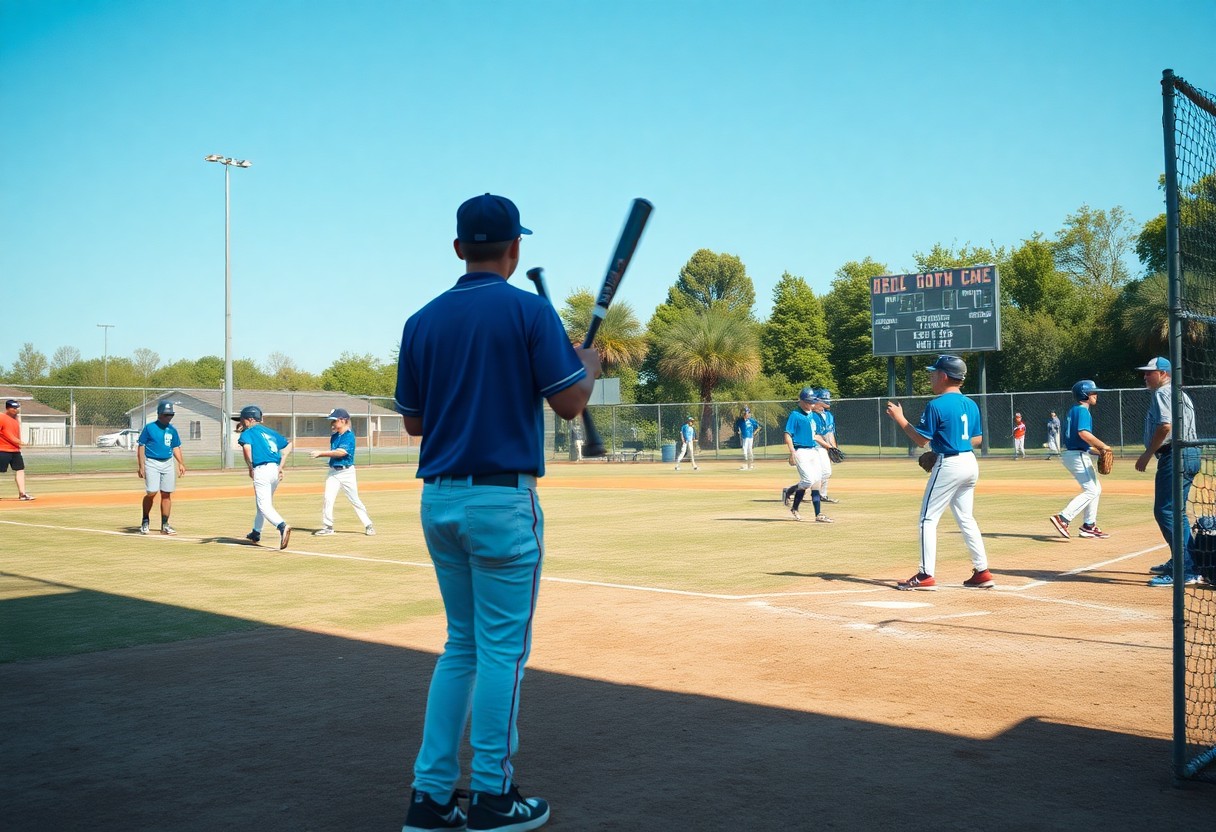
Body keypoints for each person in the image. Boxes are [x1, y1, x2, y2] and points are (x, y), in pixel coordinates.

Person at [395, 192, 599, 832]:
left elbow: (415, 423)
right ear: (516, 249)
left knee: (462, 645)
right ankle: (491, 796)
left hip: (439, 497)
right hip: (502, 500)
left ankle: (430, 799)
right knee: (503, 652)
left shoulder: (421, 320)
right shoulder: (529, 312)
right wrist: (586, 366)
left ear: (459, 248)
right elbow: (570, 405)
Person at [885, 355, 994, 590]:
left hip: (950, 464)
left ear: (944, 376)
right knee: (966, 518)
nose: (931, 376)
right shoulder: (971, 404)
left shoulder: (937, 404)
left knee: (927, 518)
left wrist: (900, 419)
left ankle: (925, 575)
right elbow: (976, 439)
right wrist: (944, 446)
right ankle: (982, 571)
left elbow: (921, 439)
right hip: (969, 462)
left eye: (934, 373)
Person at [1136, 357, 1205, 587]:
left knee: (1165, 511)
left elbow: (1166, 426)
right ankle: (1187, 561)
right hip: (1189, 454)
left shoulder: (1162, 393)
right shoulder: (1179, 393)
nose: (1145, 376)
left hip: (1175, 455)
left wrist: (1147, 454)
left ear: (1164, 374)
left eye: (1150, 373)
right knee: (1176, 511)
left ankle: (1186, 569)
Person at [1048, 381, 1112, 540]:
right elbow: (1083, 434)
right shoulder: (1083, 411)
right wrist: (1104, 447)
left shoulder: (1074, 410)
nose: (1096, 395)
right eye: (1093, 392)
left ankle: (1089, 525)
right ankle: (1063, 518)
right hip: (1077, 456)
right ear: (1085, 394)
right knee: (1091, 490)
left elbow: (1078, 440)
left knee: (1095, 489)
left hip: (1074, 453)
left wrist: (1097, 452)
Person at [233, 405, 293, 550]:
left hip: (262, 470)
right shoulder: (269, 432)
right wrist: (281, 465)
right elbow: (288, 445)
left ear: (251, 419)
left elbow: (247, 449)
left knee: (264, 505)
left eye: (243, 419)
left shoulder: (248, 432)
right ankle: (255, 533)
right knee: (263, 503)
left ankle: (282, 526)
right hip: (274, 471)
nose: (242, 422)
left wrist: (250, 466)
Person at [309, 408, 374, 536]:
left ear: (343, 421)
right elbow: (335, 453)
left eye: (334, 420)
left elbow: (341, 452)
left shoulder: (349, 436)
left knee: (354, 499)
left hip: (347, 472)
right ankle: (328, 527)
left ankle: (368, 525)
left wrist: (321, 453)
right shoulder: (334, 437)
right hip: (333, 472)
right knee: (328, 498)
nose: (332, 424)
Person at [780, 387, 834, 522]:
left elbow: (814, 435)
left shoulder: (811, 414)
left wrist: (829, 447)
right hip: (800, 451)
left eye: (812, 401)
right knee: (808, 480)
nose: (812, 404)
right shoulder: (795, 415)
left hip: (813, 451)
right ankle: (790, 491)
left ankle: (818, 514)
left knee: (816, 482)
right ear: (802, 401)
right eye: (809, 402)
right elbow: (787, 434)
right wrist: (792, 452)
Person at [136, 400, 186, 535]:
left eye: (171, 415)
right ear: (159, 414)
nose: (168, 417)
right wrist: (141, 466)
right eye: (166, 414)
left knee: (166, 493)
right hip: (152, 462)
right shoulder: (150, 428)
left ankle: (165, 524)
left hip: (168, 463)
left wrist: (181, 463)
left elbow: (175, 447)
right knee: (151, 491)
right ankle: (145, 520)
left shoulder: (172, 430)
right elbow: (141, 446)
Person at [0, 398, 34, 501]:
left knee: (20, 470)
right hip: (3, 449)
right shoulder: (2, 417)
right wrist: (19, 442)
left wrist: (19, 442)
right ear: (7, 408)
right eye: (13, 408)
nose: (16, 410)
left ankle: (22, 494)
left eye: (17, 408)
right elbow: (8, 435)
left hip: (15, 450)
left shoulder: (16, 419)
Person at [812, 388, 840, 503]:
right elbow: (815, 436)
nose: (827, 401)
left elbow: (830, 433)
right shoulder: (811, 416)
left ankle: (822, 494)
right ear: (816, 400)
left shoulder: (828, 415)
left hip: (824, 447)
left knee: (823, 472)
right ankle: (792, 491)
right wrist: (829, 447)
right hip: (814, 447)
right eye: (824, 399)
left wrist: (834, 448)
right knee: (821, 473)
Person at [735, 406, 759, 470]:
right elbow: (737, 426)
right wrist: (738, 431)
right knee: (744, 449)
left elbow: (758, 427)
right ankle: (745, 464)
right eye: (746, 413)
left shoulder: (752, 420)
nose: (747, 414)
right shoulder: (740, 421)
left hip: (750, 437)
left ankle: (750, 464)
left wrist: (754, 432)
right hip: (744, 437)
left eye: (748, 413)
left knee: (749, 450)